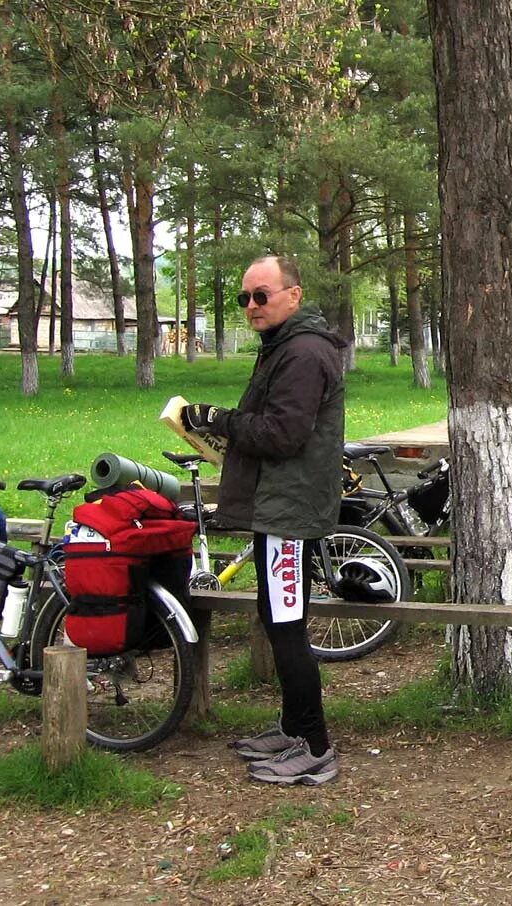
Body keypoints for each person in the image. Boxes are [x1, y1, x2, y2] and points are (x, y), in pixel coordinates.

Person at [182, 255, 346, 785]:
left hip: (287, 510)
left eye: (262, 295)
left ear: (293, 295)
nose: (252, 306)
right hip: (275, 502)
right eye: (244, 298)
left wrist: (219, 421)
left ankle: (315, 745)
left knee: (287, 625)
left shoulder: (302, 352)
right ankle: (292, 726)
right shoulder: (284, 346)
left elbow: (283, 434)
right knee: (276, 617)